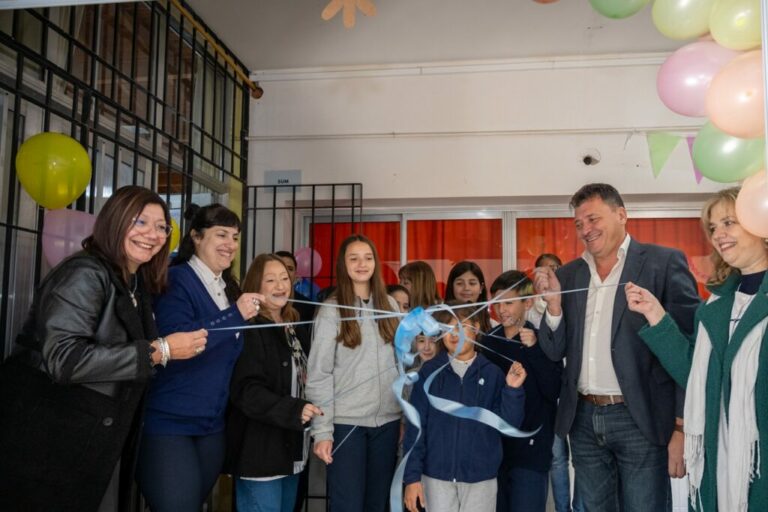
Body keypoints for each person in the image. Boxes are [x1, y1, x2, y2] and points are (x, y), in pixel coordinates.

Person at [0, 186, 206, 512]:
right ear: (115, 221)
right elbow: (64, 359)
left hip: (90, 439)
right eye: (140, 222)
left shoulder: (133, 281)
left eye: (161, 227)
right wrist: (160, 351)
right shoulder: (84, 272)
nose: (152, 234)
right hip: (49, 438)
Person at [533, 183, 700, 512]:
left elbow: (688, 351)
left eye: (593, 219)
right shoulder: (568, 275)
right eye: (579, 223)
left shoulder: (663, 262)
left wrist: (681, 427)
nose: (585, 229)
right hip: (583, 418)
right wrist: (553, 308)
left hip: (641, 417)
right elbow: (554, 352)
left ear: (621, 215)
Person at [625, 187, 768, 512]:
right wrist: (654, 313)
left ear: (761, 223)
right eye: (713, 227)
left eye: (729, 222)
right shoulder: (715, 304)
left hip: (759, 465)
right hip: (718, 461)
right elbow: (695, 375)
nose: (718, 235)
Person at [136, 203, 264, 512]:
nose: (230, 244)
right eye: (221, 234)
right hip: (169, 423)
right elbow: (177, 340)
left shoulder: (228, 289)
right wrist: (236, 315)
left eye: (235, 237)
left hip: (211, 427)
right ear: (196, 236)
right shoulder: (176, 279)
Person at [306, 234, 402, 512]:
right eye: (354, 258)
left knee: (377, 504)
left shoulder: (391, 306)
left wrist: (406, 414)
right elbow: (319, 374)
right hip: (346, 425)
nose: (362, 264)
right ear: (343, 264)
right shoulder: (331, 310)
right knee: (347, 505)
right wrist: (323, 431)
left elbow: (403, 365)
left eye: (368, 258)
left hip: (388, 424)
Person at [403, 302, 528, 512]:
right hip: (435, 478)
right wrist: (412, 478)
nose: (454, 334)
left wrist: (513, 390)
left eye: (462, 326)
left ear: (476, 328)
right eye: (447, 328)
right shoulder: (428, 373)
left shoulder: (493, 374)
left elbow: (509, 425)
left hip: (481, 479)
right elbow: (415, 429)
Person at [226, 254, 323, 512]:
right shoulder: (249, 328)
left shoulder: (295, 327)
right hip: (261, 452)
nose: (280, 286)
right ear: (256, 286)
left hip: (292, 452)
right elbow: (246, 391)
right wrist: (294, 409)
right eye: (270, 280)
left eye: (284, 278)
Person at [484, 271, 562, 512]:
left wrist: (535, 349)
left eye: (509, 302)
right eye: (497, 303)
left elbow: (554, 390)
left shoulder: (543, 340)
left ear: (528, 303)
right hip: (494, 452)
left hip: (531, 451)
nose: (501, 310)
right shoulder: (487, 343)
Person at [527, 253, 582, 512]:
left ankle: (581, 507)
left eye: (554, 268)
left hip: (576, 390)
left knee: (583, 456)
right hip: (549, 394)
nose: (548, 274)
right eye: (542, 270)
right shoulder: (528, 312)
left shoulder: (570, 304)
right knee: (557, 457)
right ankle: (563, 508)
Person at [445, 260, 492, 336]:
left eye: (472, 283)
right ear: (452, 287)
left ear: (481, 288)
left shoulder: (493, 327)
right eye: (460, 283)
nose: (466, 288)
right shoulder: (439, 324)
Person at [276, 250, 317, 323]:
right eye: (281, 267)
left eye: (290, 269)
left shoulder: (307, 306)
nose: (286, 272)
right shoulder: (260, 302)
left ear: (295, 274)